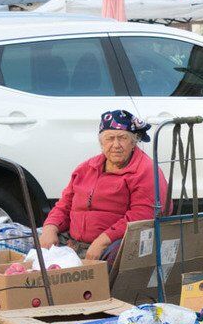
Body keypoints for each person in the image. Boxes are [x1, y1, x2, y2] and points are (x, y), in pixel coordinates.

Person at [40, 111, 168, 269]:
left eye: (122, 137)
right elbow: (65, 204)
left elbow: (143, 214)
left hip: (111, 243)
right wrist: (50, 227)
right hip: (73, 241)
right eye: (109, 138)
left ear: (134, 141)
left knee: (116, 254)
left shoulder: (145, 170)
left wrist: (103, 241)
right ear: (101, 143)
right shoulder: (86, 168)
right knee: (35, 242)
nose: (116, 145)